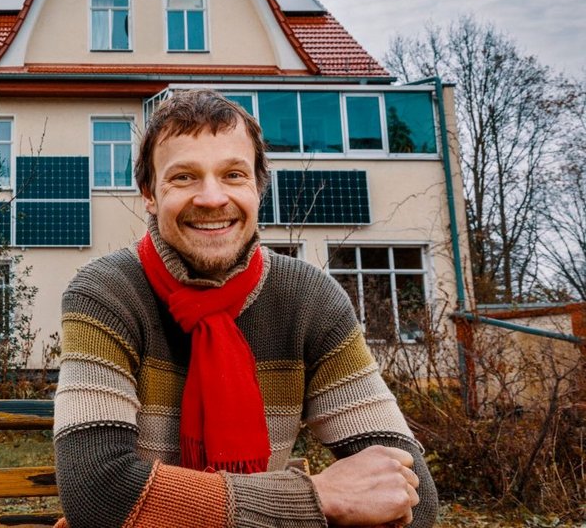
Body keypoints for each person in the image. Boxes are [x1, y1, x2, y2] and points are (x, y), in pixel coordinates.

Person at [53, 89, 436, 528]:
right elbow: (100, 495)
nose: (212, 198)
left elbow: (410, 492)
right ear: (150, 194)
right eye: (184, 177)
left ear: (258, 187)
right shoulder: (106, 293)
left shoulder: (311, 300)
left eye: (234, 174)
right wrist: (317, 496)